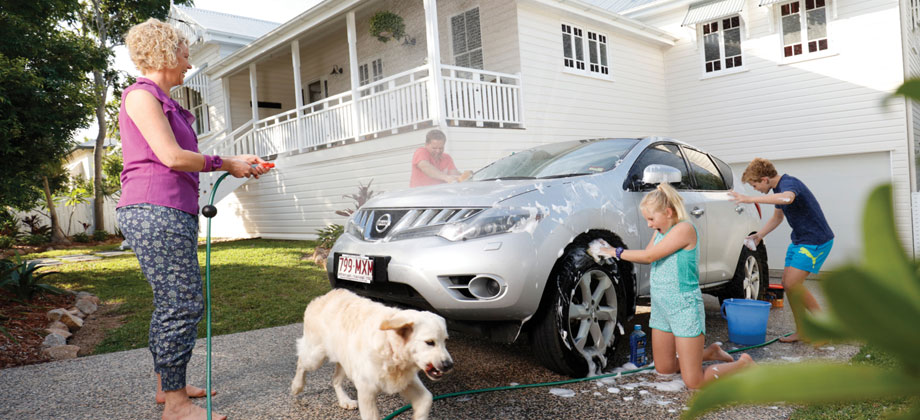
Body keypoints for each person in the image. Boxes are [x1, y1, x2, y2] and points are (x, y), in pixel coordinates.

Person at [117, 18, 270, 420]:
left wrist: (235, 162)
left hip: (170, 209)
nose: (188, 63)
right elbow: (170, 157)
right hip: (153, 209)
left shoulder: (167, 102)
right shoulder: (141, 96)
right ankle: (177, 407)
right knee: (182, 304)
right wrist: (227, 162)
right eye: (185, 54)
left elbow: (183, 156)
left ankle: (169, 388)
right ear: (166, 53)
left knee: (171, 301)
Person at [591, 183, 754, 389]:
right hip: (661, 307)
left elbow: (650, 255)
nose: (649, 224)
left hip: (683, 307)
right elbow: (647, 257)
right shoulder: (661, 231)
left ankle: (743, 364)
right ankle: (710, 353)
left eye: (651, 219)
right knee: (664, 370)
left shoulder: (684, 229)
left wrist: (614, 251)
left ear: (668, 212)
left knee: (694, 382)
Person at [728, 158, 833, 343]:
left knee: (793, 284)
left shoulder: (789, 184)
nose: (755, 189)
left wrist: (750, 199)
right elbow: (778, 217)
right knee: (787, 283)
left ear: (765, 179)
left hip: (816, 241)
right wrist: (759, 235)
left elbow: (788, 198)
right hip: (800, 240)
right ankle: (803, 330)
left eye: (755, 185)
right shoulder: (778, 189)